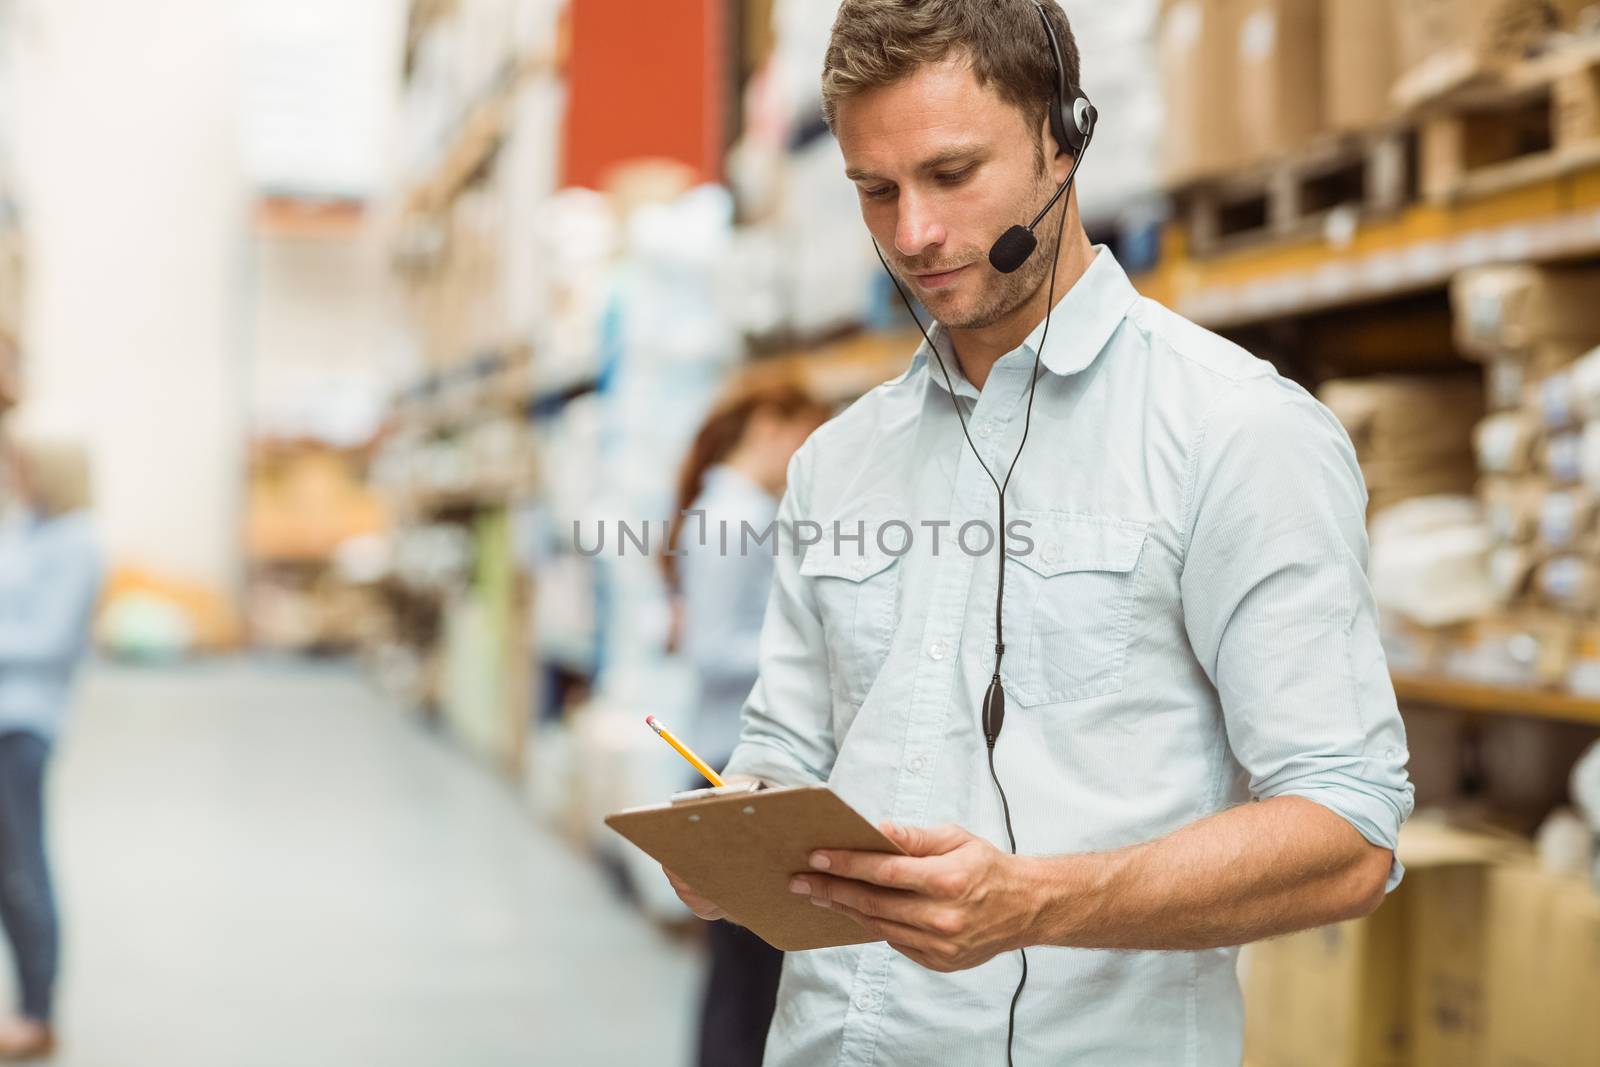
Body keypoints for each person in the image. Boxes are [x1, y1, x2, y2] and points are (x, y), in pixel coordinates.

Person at [665, 2, 1414, 1064]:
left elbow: (1347, 829)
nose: (912, 233)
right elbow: (787, 748)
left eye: (951, 173)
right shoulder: (838, 459)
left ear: (1064, 138)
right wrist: (731, 830)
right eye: (874, 191)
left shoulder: (1235, 431)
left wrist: (1037, 901)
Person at [661, 377, 831, 1067]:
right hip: (732, 764)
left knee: (740, 972)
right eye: (802, 437)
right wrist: (816, 645)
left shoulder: (729, 506)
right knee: (748, 977)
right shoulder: (736, 513)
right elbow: (712, 649)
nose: (804, 458)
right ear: (768, 424)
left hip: (726, 756)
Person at [0, 437, 103, 1060]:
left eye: (23, 464)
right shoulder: (24, 529)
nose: (13, 474)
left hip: (25, 723)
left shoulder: (79, 541)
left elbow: (51, 638)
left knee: (21, 870)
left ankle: (38, 1014)